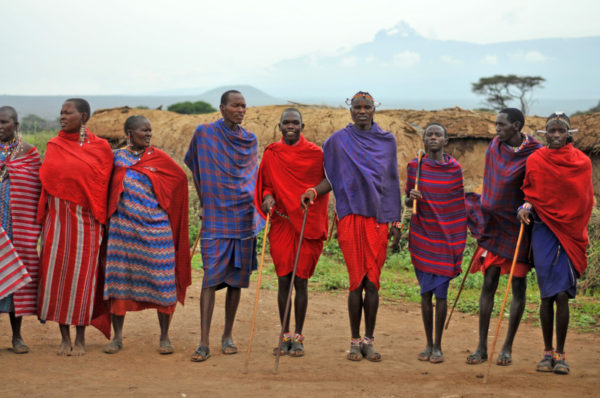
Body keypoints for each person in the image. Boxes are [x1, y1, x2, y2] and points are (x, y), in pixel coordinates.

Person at [301, 91, 401, 362]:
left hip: (379, 220)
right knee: (356, 282)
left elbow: (392, 182)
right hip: (350, 218)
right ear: (350, 110)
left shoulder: (386, 141)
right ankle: (355, 341)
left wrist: (397, 220)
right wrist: (314, 191)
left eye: (366, 107)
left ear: (374, 109)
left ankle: (370, 340)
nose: (361, 111)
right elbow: (331, 180)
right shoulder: (337, 142)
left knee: (373, 282)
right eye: (356, 107)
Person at [185, 90, 263, 362]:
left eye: (243, 106)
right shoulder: (204, 134)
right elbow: (196, 167)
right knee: (210, 278)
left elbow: (253, 177)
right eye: (235, 106)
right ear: (222, 108)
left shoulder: (249, 140)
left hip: (243, 217)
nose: (240, 110)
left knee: (236, 280)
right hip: (215, 217)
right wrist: (206, 201)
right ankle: (203, 341)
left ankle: (227, 335)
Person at [102, 115, 191, 355]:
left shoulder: (159, 158)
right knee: (119, 284)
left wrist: (170, 207)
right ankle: (117, 338)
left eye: (150, 130)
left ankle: (164, 337)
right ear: (129, 133)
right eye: (144, 131)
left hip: (156, 231)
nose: (149, 134)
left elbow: (180, 180)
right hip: (122, 233)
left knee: (163, 283)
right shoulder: (116, 158)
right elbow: (102, 185)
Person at [518, 112, 593, 375]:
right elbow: (531, 190)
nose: (557, 135)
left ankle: (561, 353)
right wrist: (526, 204)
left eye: (562, 131)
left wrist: (572, 224)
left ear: (569, 133)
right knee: (547, 293)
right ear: (545, 134)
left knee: (562, 294)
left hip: (571, 232)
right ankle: (546, 352)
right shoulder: (536, 159)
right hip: (544, 231)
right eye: (552, 131)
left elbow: (585, 201)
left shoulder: (582, 162)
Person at [37, 98, 113, 356]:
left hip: (86, 223)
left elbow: (103, 187)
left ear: (83, 117)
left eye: (67, 113)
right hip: (57, 222)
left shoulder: (100, 148)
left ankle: (80, 337)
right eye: (60, 112)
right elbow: (47, 182)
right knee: (57, 277)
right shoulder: (54, 145)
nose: (62, 116)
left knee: (83, 280)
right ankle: (64, 337)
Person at [466, 108, 541, 366]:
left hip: (519, 227)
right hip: (495, 226)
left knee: (518, 287)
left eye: (502, 124)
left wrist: (527, 205)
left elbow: (538, 186)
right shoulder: (494, 147)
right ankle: (481, 347)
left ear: (517, 126)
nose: (496, 129)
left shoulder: (535, 152)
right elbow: (492, 183)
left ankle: (507, 347)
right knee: (489, 284)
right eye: (496, 124)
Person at [255, 108, 329, 357]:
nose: (290, 126)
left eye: (294, 123)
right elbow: (266, 184)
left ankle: (298, 336)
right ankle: (284, 334)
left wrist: (313, 192)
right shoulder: (271, 153)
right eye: (286, 122)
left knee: (301, 281)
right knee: (284, 279)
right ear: (279, 126)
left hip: (307, 221)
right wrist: (267, 199)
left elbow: (329, 181)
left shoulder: (316, 154)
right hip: (283, 223)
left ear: (302, 126)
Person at [405, 123, 467, 364]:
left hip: (446, 238)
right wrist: (411, 198)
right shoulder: (415, 168)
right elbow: (408, 204)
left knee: (440, 293)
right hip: (422, 236)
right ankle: (428, 343)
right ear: (423, 139)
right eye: (429, 134)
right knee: (424, 292)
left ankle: (438, 345)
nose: (433, 138)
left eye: (437, 134)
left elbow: (457, 206)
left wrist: (457, 235)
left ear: (445, 140)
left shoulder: (454, 169)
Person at [0, 106, 42, 354]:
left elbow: (38, 190)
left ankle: (17, 336)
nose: (0, 126)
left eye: (4, 122)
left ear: (15, 125)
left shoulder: (29, 153)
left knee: (14, 281)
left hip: (16, 229)